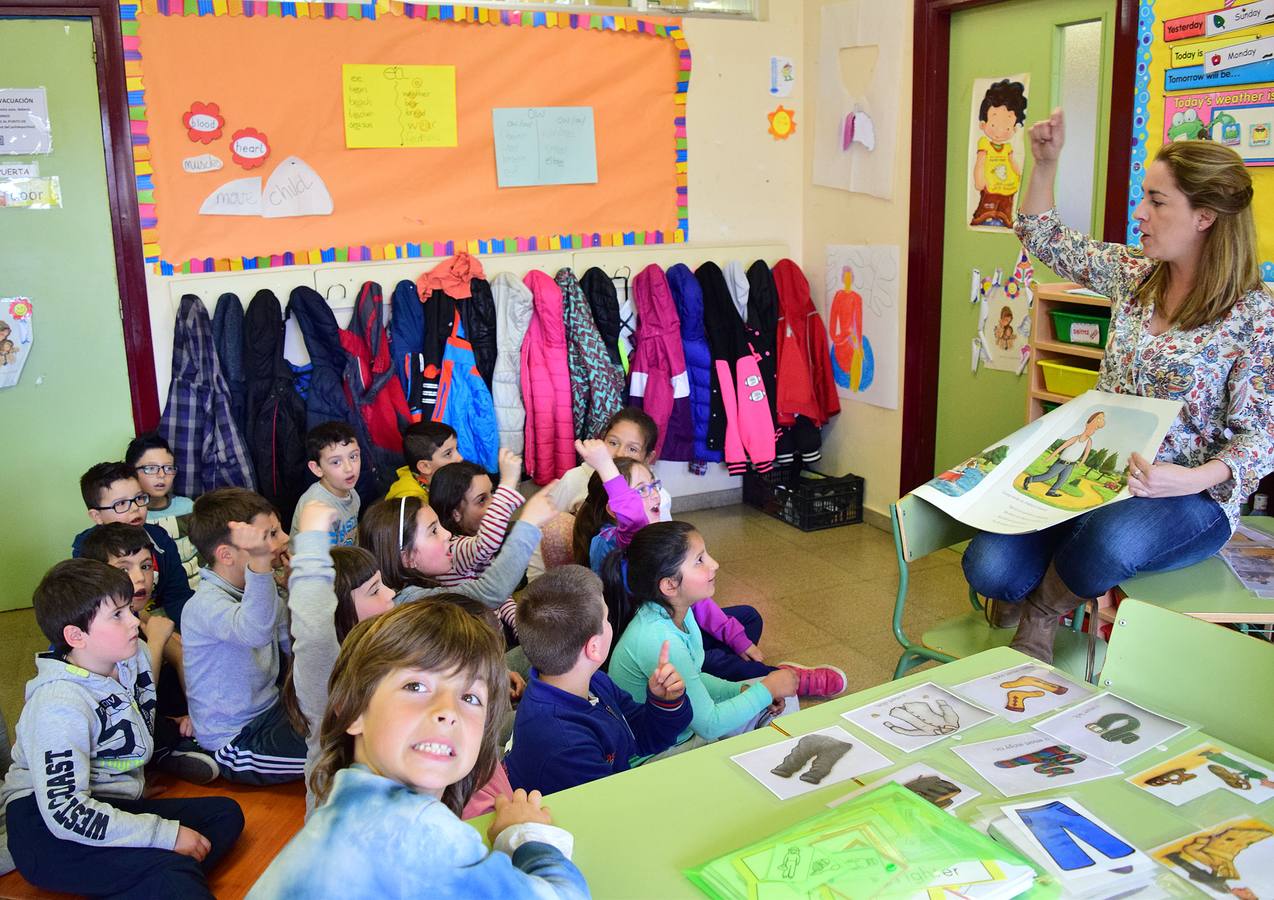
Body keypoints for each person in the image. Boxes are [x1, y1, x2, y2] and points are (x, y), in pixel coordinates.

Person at [963, 108, 1274, 663]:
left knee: (1109, 544)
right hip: (1098, 474)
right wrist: (1045, 163)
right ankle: (1041, 581)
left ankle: (1042, 613)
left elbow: (1262, 437)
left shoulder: (1255, 315)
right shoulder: (1138, 277)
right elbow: (1045, 238)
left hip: (1191, 495)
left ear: (1205, 216)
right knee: (989, 567)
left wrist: (1192, 477)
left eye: (1156, 201)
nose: (1139, 213)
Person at [247, 601, 589, 899]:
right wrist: (527, 837)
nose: (448, 710)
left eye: (469, 697)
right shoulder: (412, 832)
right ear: (353, 712)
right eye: (416, 685)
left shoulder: (346, 808)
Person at [1, 559, 243, 897]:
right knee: (174, 871)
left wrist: (132, 786)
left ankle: (148, 878)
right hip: (45, 826)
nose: (133, 621)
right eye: (117, 614)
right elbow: (66, 810)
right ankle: (160, 876)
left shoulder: (133, 655)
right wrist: (166, 836)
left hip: (105, 803)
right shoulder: (58, 703)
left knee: (224, 815)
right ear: (76, 636)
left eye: (129, 609)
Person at [605, 523, 839, 756]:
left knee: (784, 699)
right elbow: (709, 725)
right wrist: (765, 690)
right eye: (699, 560)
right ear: (669, 585)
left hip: (690, 731)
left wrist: (741, 689)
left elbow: (694, 680)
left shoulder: (681, 613)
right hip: (664, 752)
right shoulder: (658, 639)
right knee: (769, 698)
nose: (714, 564)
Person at [505, 566, 691, 795]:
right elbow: (608, 808)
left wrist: (666, 703)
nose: (610, 623)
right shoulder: (566, 744)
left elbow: (641, 737)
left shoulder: (593, 683)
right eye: (607, 618)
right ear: (593, 647)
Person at [79, 524, 218, 784]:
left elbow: (183, 660)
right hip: (118, 725)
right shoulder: (99, 630)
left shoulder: (140, 616)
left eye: (145, 566)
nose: (140, 578)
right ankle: (163, 753)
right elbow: (130, 707)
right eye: (124, 569)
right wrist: (156, 641)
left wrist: (200, 716)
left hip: (147, 713)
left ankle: (172, 738)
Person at [182, 488, 304, 783]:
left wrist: (292, 590)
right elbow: (254, 631)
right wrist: (261, 564)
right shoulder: (203, 605)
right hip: (236, 741)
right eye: (269, 536)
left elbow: (293, 648)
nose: (285, 540)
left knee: (353, 724)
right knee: (335, 752)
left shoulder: (263, 590)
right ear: (226, 555)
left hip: (274, 712)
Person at [72, 461, 194, 629]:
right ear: (97, 516)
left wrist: (192, 632)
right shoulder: (87, 551)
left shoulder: (160, 539)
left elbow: (178, 596)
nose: (135, 508)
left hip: (159, 617)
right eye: (121, 504)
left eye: (139, 498)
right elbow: (95, 612)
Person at [428, 451, 527, 587]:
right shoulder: (451, 548)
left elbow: (495, 589)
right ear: (456, 513)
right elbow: (485, 544)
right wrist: (508, 483)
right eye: (481, 500)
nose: (493, 503)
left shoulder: (474, 536)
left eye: (492, 492)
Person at [126, 433, 199, 585]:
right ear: (131, 472)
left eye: (168, 468)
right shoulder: (130, 516)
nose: (161, 475)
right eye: (151, 468)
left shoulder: (187, 507)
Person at [290, 421, 362, 546]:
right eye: (336, 462)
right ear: (317, 468)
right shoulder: (316, 506)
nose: (349, 468)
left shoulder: (352, 493)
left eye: (353, 456)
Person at [1022, 411, 1106, 497]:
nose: (1092, 432)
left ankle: (1051, 491)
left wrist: (1081, 462)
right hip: (1061, 462)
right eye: (1091, 429)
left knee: (1063, 479)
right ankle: (1030, 479)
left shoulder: (1089, 441)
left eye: (1094, 430)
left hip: (1071, 465)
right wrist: (1051, 456)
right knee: (1049, 475)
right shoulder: (1075, 438)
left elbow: (1086, 453)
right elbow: (1061, 448)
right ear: (1086, 426)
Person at [385, 421, 462, 501]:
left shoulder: (442, 482)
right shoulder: (414, 503)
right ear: (424, 466)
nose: (460, 458)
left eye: (457, 448)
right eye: (448, 453)